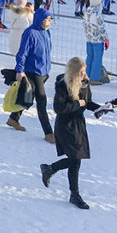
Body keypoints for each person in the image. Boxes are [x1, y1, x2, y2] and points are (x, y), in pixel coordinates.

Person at [39, 57, 102, 210]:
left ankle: (50, 169)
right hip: (65, 127)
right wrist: (76, 104)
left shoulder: (85, 84)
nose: (84, 75)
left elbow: (88, 103)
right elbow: (58, 108)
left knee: (76, 159)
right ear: (73, 73)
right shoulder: (63, 85)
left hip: (78, 126)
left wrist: (101, 108)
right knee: (75, 159)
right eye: (81, 72)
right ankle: (74, 194)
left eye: (84, 71)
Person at [9, 8, 55, 143]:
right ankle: (48, 133)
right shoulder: (30, 33)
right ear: (40, 19)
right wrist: (19, 70)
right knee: (41, 101)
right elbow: (22, 53)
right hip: (32, 71)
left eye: (50, 19)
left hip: (44, 71)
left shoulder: (47, 32)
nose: (49, 21)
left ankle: (14, 118)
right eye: (47, 19)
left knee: (28, 95)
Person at [82, 0, 110, 84]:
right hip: (98, 40)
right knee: (97, 60)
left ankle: (87, 75)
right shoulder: (97, 14)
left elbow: (84, 26)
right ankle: (94, 78)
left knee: (89, 58)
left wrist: (88, 35)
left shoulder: (87, 12)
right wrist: (106, 39)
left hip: (89, 39)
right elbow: (101, 28)